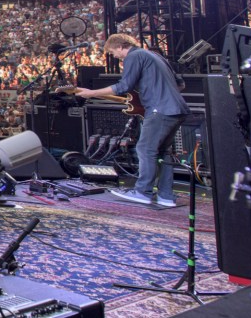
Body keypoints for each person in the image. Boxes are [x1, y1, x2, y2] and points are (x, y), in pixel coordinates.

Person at [77, 33, 185, 207]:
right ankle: (166, 195)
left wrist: (91, 93)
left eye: (113, 52)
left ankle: (143, 192)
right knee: (164, 152)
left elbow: (124, 86)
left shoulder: (134, 56)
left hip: (160, 110)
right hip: (177, 109)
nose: (115, 57)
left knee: (145, 149)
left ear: (120, 46)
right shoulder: (155, 56)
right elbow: (180, 84)